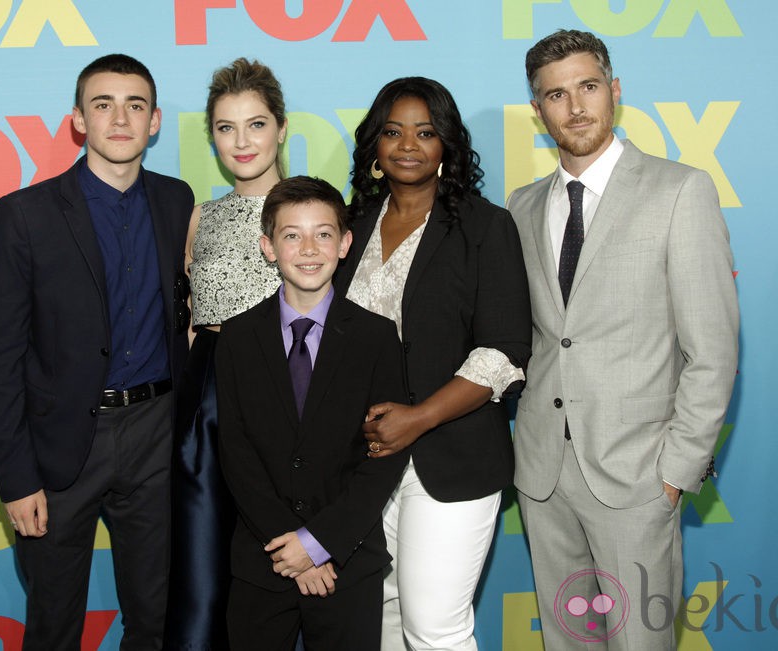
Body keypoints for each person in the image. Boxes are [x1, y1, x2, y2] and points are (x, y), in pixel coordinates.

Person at [506, 29, 739, 649]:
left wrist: (676, 470)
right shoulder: (522, 206)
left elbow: (712, 351)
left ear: (614, 92)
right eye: (555, 95)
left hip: (637, 474)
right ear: (538, 111)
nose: (575, 107)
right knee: (568, 641)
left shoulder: (679, 190)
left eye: (587, 87)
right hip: (543, 472)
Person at [0, 54, 193, 650]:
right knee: (54, 625)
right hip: (61, 449)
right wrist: (16, 479)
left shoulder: (177, 202)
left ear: (154, 122)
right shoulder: (25, 215)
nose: (119, 119)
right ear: (78, 120)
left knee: (154, 621)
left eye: (135, 105)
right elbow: (0, 359)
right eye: (103, 105)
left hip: (155, 436)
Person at [334, 77, 532, 651]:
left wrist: (416, 419)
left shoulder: (483, 226)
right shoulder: (352, 224)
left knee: (435, 626)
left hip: (450, 459)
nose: (407, 145)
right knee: (385, 616)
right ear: (374, 142)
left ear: (447, 143)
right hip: (364, 461)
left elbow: (502, 354)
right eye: (393, 131)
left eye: (426, 132)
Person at [216, 176, 409, 650]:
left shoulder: (376, 338)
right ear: (268, 246)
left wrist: (320, 543)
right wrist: (294, 546)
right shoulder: (238, 338)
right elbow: (235, 452)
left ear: (344, 244)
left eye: (323, 233)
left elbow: (382, 455)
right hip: (265, 559)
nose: (308, 248)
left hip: (347, 562)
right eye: (291, 235)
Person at [164, 58, 286, 650]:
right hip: (207, 397)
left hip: (289, 390)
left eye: (256, 124)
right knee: (202, 561)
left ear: (281, 129)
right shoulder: (200, 216)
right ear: (211, 135)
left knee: (283, 567)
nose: (242, 142)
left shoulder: (316, 209)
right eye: (225, 127)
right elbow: (190, 323)